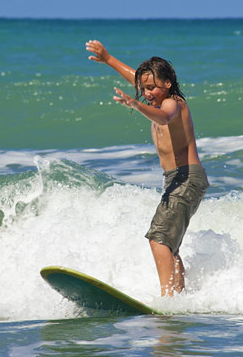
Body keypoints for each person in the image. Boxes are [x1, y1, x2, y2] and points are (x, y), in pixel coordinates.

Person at [86, 40, 209, 297]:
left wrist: (136, 104)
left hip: (185, 177)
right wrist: (108, 59)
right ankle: (178, 298)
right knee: (169, 245)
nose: (147, 92)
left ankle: (167, 300)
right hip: (178, 179)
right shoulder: (156, 97)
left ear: (168, 83)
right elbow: (138, 79)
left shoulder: (173, 103)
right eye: (144, 89)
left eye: (152, 87)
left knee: (158, 239)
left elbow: (165, 117)